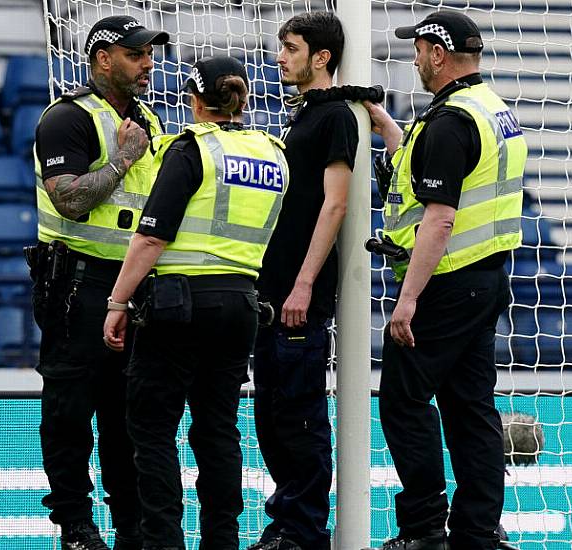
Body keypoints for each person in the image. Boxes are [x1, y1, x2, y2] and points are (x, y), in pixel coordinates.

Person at [102, 55, 289, 550]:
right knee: (218, 429)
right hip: (242, 304)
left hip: (178, 303)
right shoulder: (273, 152)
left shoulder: (192, 150)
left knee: (152, 426)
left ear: (194, 98)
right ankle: (222, 541)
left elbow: (151, 237)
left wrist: (117, 302)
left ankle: (163, 541)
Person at [362, 10, 527, 550]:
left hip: (444, 281)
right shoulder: (491, 109)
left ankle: (424, 527)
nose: (414, 57)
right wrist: (387, 126)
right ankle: (478, 531)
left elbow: (439, 217)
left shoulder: (450, 121)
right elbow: (425, 169)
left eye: (419, 48)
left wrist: (407, 300)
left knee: (403, 401)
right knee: (470, 406)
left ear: (438, 52)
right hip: (486, 277)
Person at [29, 15, 168, 550]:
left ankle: (129, 525)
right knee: (69, 409)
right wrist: (122, 160)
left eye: (149, 55)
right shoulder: (66, 119)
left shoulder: (148, 119)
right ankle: (76, 525)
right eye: (136, 55)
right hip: (77, 284)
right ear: (103, 59)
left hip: (132, 287)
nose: (148, 64)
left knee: (126, 414)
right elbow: (70, 198)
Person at [248, 11, 358, 550]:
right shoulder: (302, 116)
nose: (280, 57)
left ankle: (305, 530)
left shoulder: (334, 116)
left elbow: (334, 204)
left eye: (290, 48)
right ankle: (285, 522)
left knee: (300, 415)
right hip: (270, 290)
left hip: (298, 295)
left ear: (322, 57)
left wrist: (304, 283)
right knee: (270, 413)